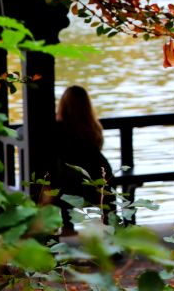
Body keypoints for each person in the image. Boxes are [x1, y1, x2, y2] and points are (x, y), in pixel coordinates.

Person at [54, 86, 114, 235]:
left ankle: (67, 226)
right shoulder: (93, 127)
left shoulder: (59, 129)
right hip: (98, 177)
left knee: (61, 180)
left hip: (70, 184)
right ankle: (110, 228)